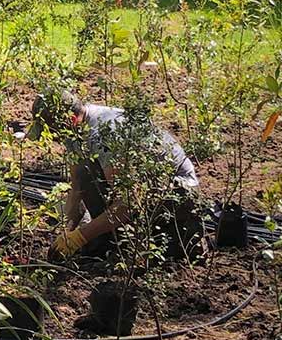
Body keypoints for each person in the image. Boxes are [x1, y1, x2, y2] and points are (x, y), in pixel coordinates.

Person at [28, 89, 200, 259]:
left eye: (52, 133)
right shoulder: (74, 131)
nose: (53, 138)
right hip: (141, 186)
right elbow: (77, 187)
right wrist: (67, 230)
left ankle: (134, 246)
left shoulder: (104, 134)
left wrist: (81, 237)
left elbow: (128, 202)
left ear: (71, 120)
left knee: (151, 251)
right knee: (87, 174)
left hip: (175, 190)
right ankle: (109, 240)